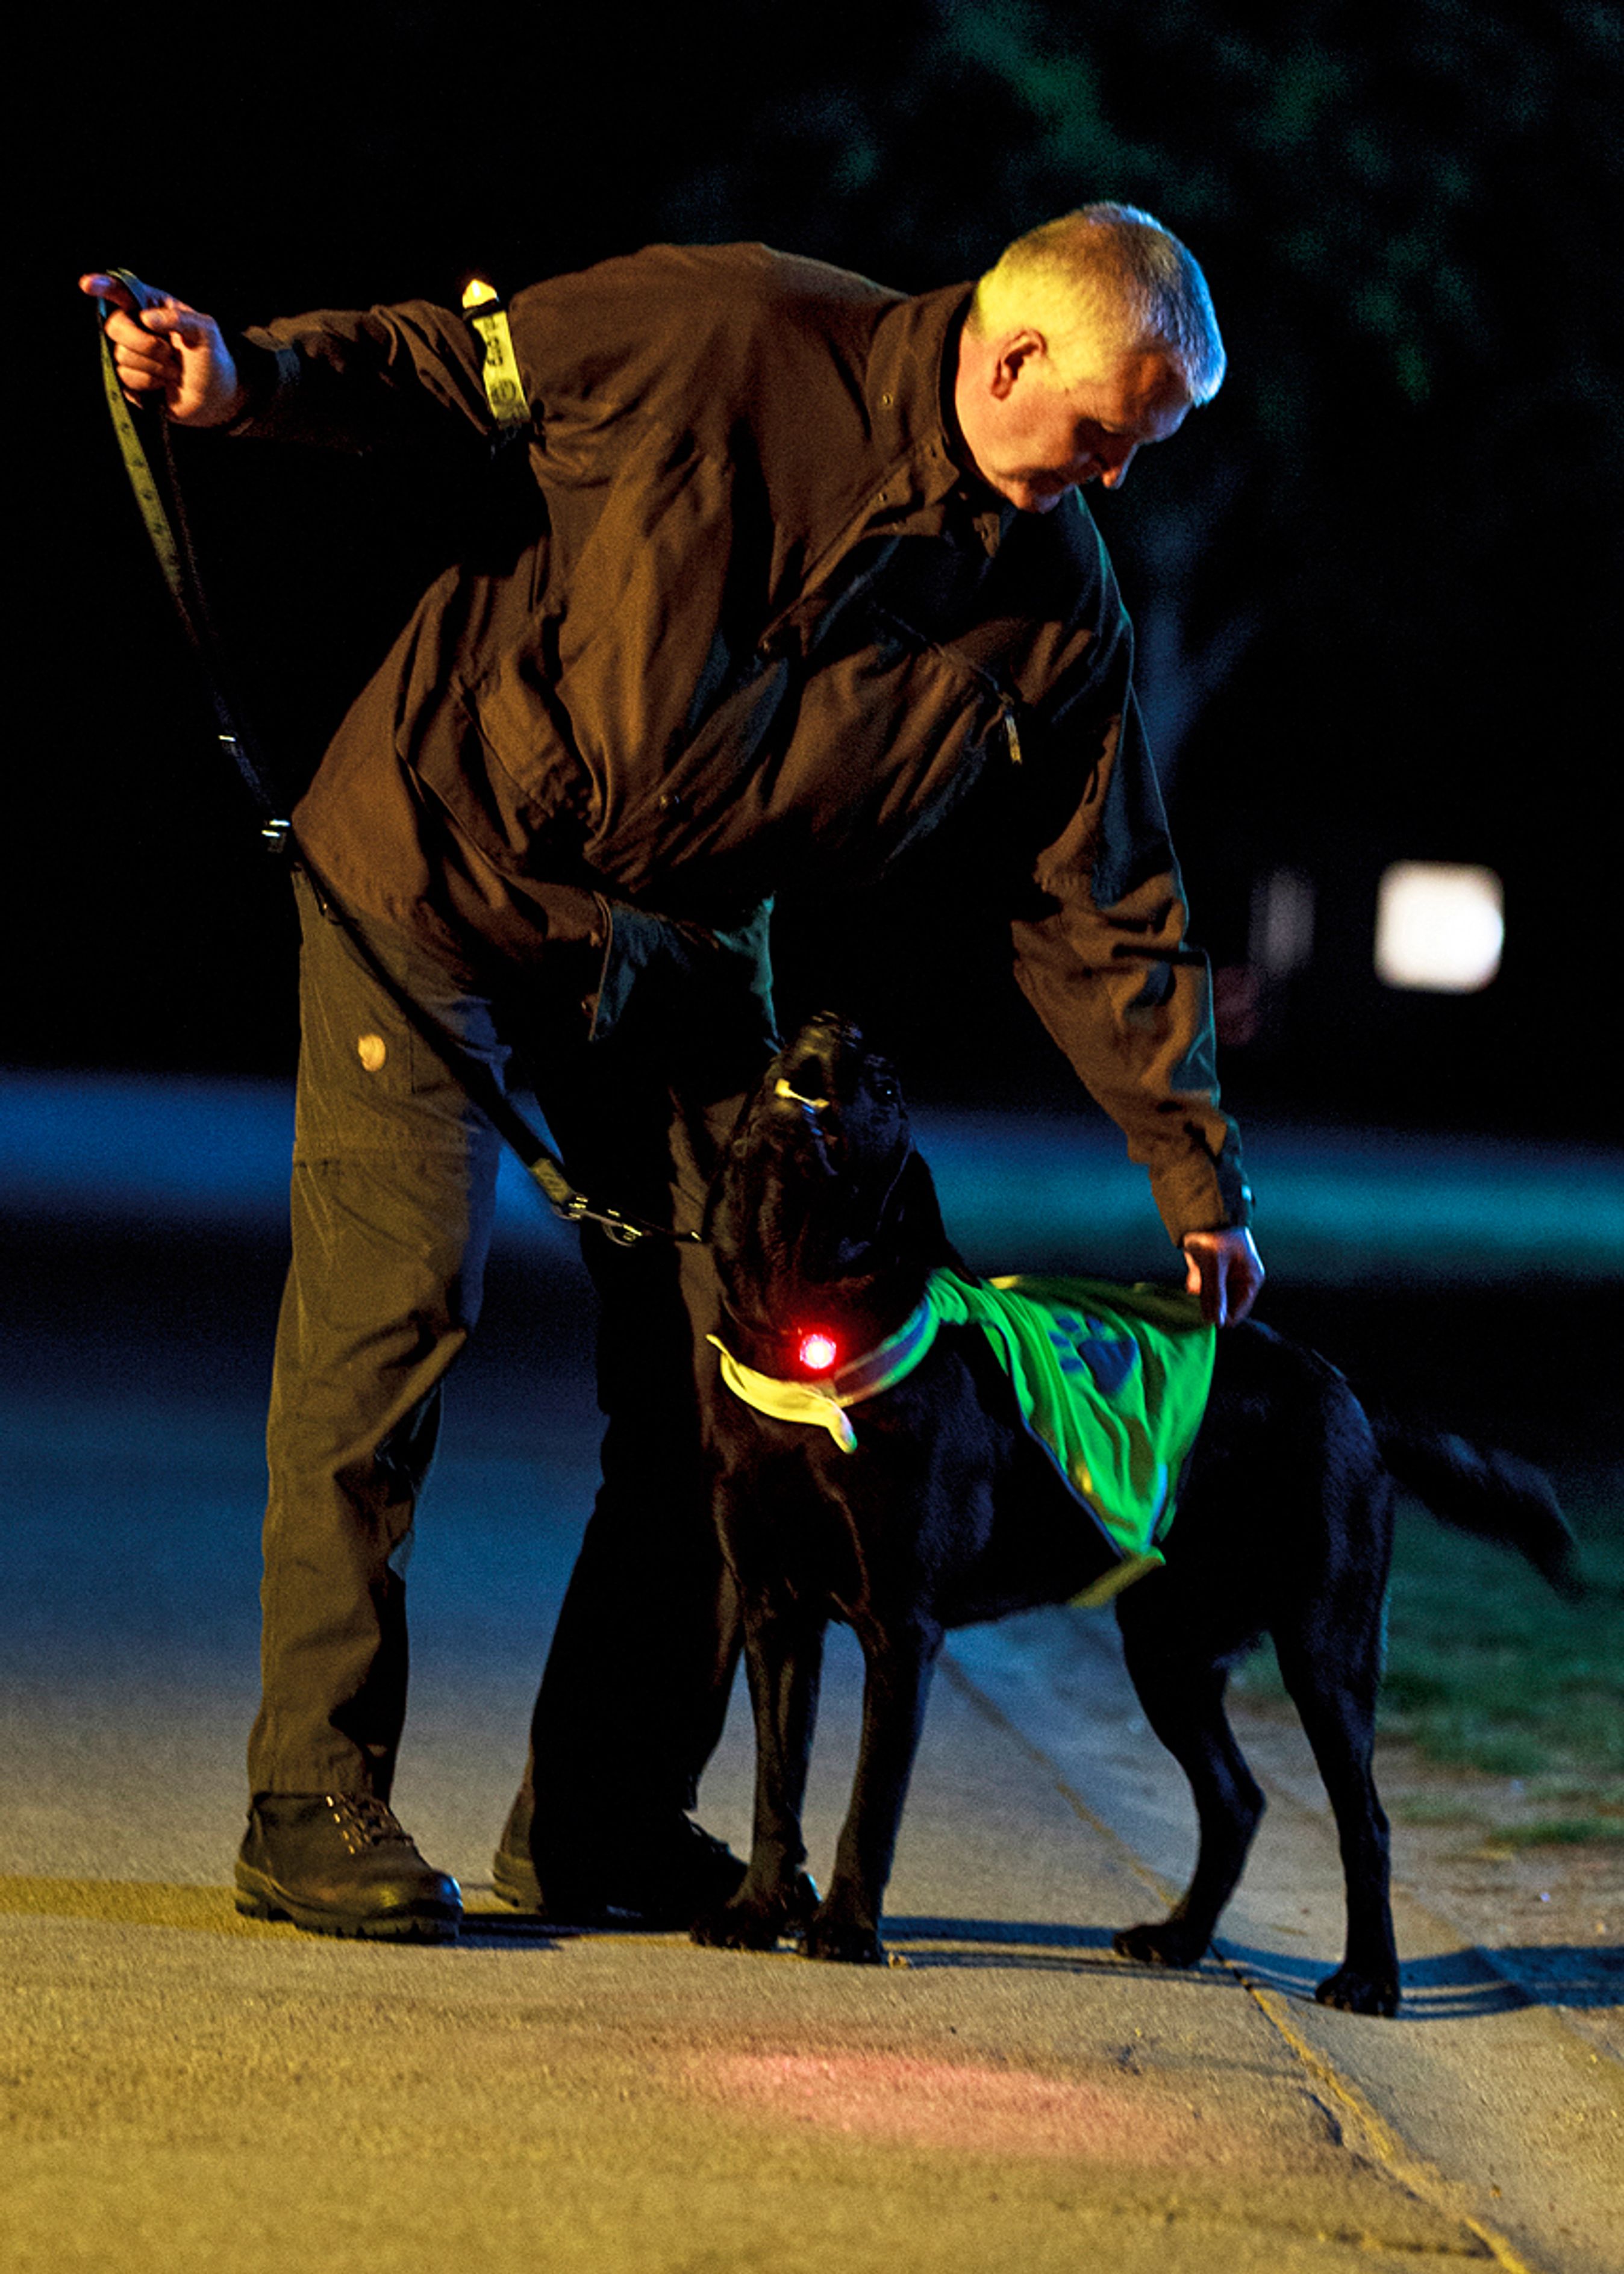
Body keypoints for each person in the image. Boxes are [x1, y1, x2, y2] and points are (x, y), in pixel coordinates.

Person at [81, 205, 1264, 1942]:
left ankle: (610, 1817)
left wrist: (1197, 1166)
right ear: (1013, 360)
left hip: (686, 945)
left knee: (752, 1365)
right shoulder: (725, 329)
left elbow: (1097, 890)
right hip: (437, 867)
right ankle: (311, 1797)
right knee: (393, 1312)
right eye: (1105, 437)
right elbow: (444, 367)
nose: (1110, 483)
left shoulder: (1051, 600)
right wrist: (242, 379)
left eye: (1143, 452)